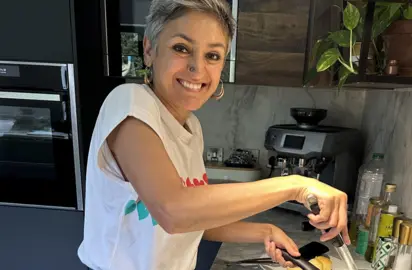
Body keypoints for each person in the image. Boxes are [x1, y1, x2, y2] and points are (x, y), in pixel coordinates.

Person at [77, 0, 350, 269]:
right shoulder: (129, 103)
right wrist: (295, 186)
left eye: (213, 55)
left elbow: (196, 220)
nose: (197, 68)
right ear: (149, 49)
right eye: (181, 48)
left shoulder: (192, 127)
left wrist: (264, 231)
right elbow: (174, 211)